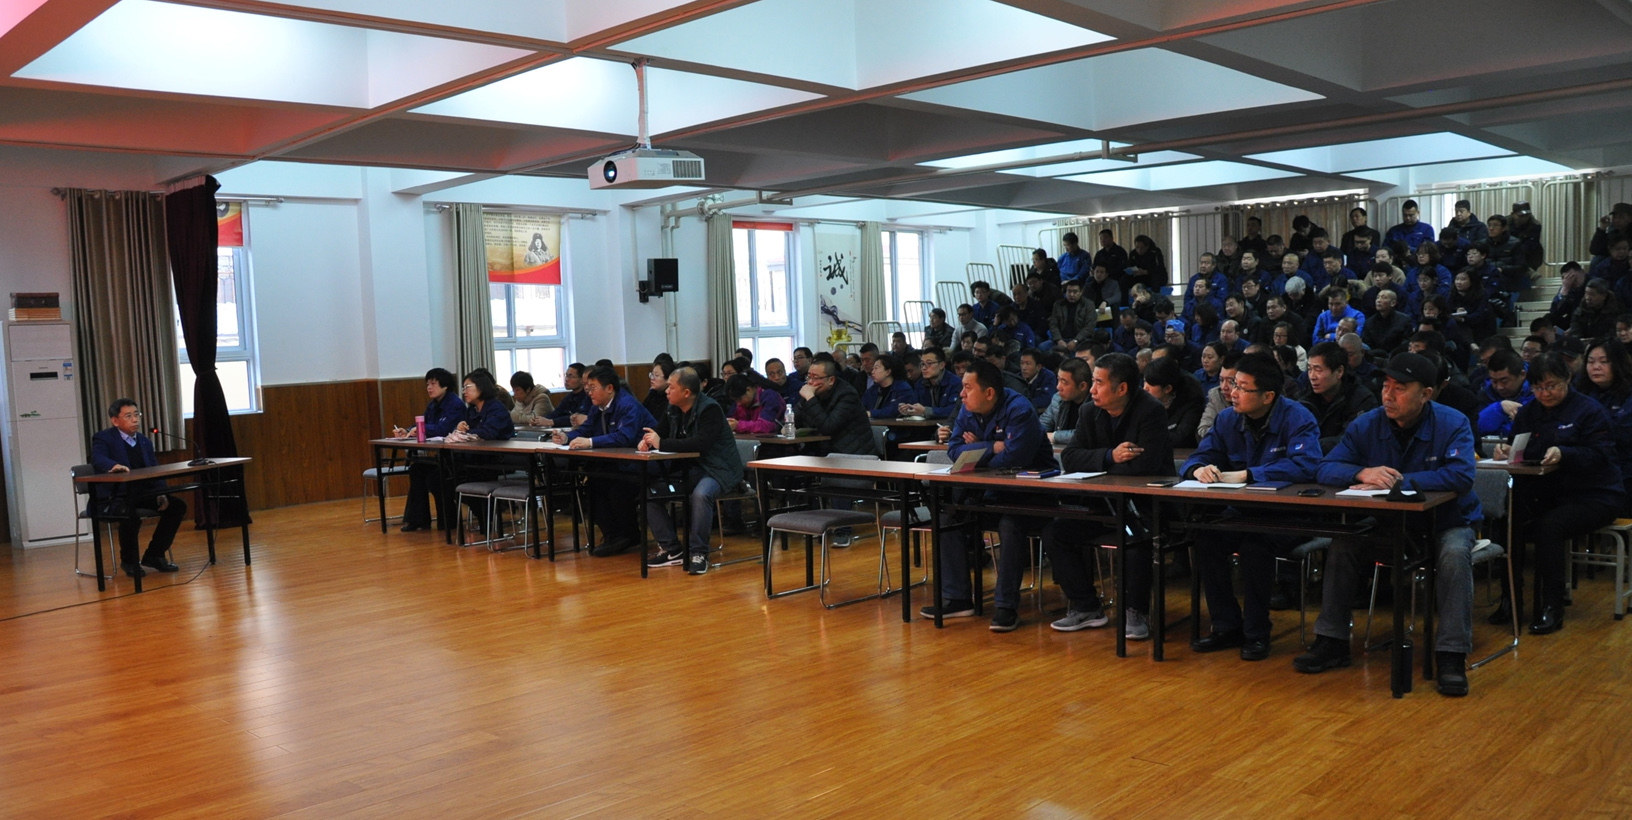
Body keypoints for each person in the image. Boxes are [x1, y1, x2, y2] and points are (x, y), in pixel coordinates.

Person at [1294, 352, 1482, 696]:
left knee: (1454, 555)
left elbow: (1461, 476)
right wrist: (1361, 472)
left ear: (1426, 393)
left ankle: (1451, 654)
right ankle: (1332, 640)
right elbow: (1324, 468)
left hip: (1446, 522)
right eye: (1385, 386)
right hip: (1388, 522)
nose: (1388, 395)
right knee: (1344, 543)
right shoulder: (1367, 423)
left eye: (1400, 388)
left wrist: (1398, 481)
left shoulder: (1453, 422)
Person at [1182, 353, 1321, 660]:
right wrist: (1198, 470)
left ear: (1268, 396)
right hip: (1242, 511)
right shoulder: (1227, 419)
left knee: (1255, 546)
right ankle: (1226, 626)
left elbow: (1307, 464)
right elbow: (1199, 456)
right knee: (1205, 539)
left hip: (1290, 515)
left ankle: (1257, 632)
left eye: (1242, 388)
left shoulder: (1298, 417)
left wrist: (1250, 474)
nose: (1232, 393)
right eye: (1233, 385)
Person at [919, 360, 1057, 631]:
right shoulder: (968, 409)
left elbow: (1015, 459)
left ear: (989, 393)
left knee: (1009, 525)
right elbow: (955, 451)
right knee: (948, 521)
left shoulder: (1020, 410)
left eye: (968, 388)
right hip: (988, 494)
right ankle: (958, 599)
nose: (961, 394)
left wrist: (977, 452)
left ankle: (1006, 606)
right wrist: (992, 446)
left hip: (1030, 496)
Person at [1043, 353, 1175, 636]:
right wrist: (1109, 456)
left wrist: (1097, 464)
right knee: (1056, 533)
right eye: (1092, 382)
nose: (1092, 390)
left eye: (1099, 383)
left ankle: (1136, 611)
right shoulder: (1089, 411)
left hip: (1144, 508)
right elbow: (1070, 458)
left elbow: (1145, 467)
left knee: (1137, 540)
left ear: (1122, 388)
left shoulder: (1151, 411)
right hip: (1102, 504)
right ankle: (1086, 607)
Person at [1497, 352, 1626, 634]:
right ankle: (1510, 599)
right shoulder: (1529, 412)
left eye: (1552, 386)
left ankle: (1552, 606)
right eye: (1538, 387)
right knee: (1506, 521)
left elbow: (1600, 456)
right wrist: (1505, 450)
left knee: (1550, 527)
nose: (1545, 393)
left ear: (1567, 379)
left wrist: (1564, 453)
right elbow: (1517, 447)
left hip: (1595, 494)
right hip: (1546, 493)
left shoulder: (1589, 411)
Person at [641, 367, 743, 576]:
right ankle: (672, 549)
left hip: (719, 469)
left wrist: (662, 443)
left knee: (701, 495)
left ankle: (699, 553)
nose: (667, 391)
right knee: (650, 493)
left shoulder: (710, 409)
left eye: (671, 387)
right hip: (691, 469)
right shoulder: (673, 408)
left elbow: (700, 443)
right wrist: (647, 441)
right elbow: (659, 432)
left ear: (686, 392)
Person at [552, 365, 658, 556]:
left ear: (609, 388)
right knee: (594, 483)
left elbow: (624, 437)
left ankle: (628, 535)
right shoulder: (597, 406)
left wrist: (590, 442)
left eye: (592, 387)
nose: (588, 391)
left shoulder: (627, 405)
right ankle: (612, 535)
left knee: (616, 488)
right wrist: (566, 437)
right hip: (617, 463)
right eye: (587, 387)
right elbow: (586, 430)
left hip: (642, 463)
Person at [89, 399, 189, 578]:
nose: (135, 419)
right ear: (115, 420)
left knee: (177, 506)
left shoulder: (144, 441)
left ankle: (154, 555)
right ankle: (129, 561)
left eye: (137, 415)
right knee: (129, 514)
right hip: (115, 497)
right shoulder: (104, 438)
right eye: (128, 416)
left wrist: (161, 493)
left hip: (142, 494)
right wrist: (113, 466)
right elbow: (98, 458)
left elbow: (154, 469)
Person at [398, 367, 465, 532]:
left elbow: (444, 429)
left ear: (445, 386)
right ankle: (418, 520)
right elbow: (423, 422)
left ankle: (447, 520)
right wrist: (408, 430)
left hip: (456, 457)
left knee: (436, 476)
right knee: (417, 469)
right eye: (427, 384)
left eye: (433, 384)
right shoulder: (432, 405)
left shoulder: (455, 405)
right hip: (441, 456)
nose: (429, 388)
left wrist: (422, 428)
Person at [451, 370, 518, 532]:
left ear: (481, 387)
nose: (464, 391)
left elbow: (488, 433)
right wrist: (459, 428)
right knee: (444, 476)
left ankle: (488, 520)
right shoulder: (472, 410)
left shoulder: (496, 408)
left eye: (468, 387)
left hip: (498, 460)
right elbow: (469, 433)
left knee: (458, 478)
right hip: (477, 458)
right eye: (463, 388)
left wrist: (467, 432)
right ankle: (483, 519)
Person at [1578, 339, 1632, 512]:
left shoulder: (1628, 393)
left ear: (1618, 363)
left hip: (1624, 470)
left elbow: (1621, 434)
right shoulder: (1580, 391)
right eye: (1591, 362)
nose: (1596, 367)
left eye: (1603, 361)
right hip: (1588, 470)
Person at [1300, 341, 1379, 453]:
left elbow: (1352, 440)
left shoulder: (1362, 399)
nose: (1312, 376)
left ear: (1339, 372)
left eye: (1318, 370)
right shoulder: (1305, 398)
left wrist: (1311, 446)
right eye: (1309, 369)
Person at [797, 359, 879, 456]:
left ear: (831, 380)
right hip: (823, 451)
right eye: (808, 377)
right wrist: (788, 426)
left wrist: (810, 398)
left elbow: (828, 428)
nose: (810, 382)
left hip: (851, 454)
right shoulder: (813, 393)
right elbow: (795, 417)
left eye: (816, 378)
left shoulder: (847, 395)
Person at [1143, 356, 1204, 449]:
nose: (1145, 388)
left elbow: (1180, 438)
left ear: (1168, 388)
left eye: (1151, 384)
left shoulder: (1192, 404)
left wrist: (1148, 439)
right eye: (1145, 381)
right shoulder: (1143, 401)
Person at [1476, 349, 1533, 438]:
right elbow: (1475, 428)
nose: (1499, 387)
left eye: (1504, 381)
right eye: (1494, 381)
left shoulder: (1538, 391)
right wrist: (1498, 408)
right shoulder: (1485, 393)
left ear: (1522, 375)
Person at [1039, 357, 1091, 445]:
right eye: (1058, 380)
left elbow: (1084, 434)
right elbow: (1041, 426)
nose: (1058, 387)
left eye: (1064, 382)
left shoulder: (1096, 403)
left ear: (1082, 386)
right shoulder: (1058, 398)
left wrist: (1054, 436)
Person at [1197, 351, 1241, 441]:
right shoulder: (1216, 395)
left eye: (1231, 381)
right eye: (1221, 380)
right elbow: (1202, 430)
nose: (1224, 387)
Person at [1048, 279, 1096, 353]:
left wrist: (1076, 340)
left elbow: (1089, 327)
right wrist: (1059, 340)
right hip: (1062, 339)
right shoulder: (1058, 304)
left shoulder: (1089, 305)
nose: (1071, 294)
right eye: (1069, 291)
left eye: (1075, 292)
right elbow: (1053, 324)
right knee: (1043, 347)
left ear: (1081, 292)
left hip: (1081, 340)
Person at [861, 354, 915, 419]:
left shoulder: (903, 388)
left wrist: (870, 413)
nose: (872, 372)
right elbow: (861, 407)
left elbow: (894, 411)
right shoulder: (872, 390)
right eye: (873, 369)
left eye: (876, 368)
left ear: (888, 372)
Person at [1362, 286, 1412, 354]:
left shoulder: (1404, 320)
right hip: (1374, 356)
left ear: (1393, 303)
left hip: (1396, 356)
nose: (1379, 300)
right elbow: (1366, 344)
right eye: (1377, 297)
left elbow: (1405, 343)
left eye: (1384, 298)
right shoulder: (1369, 322)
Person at [542, 363, 591, 428]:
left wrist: (552, 422)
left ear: (582, 380)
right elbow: (557, 412)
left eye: (571, 376)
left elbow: (578, 418)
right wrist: (540, 419)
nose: (566, 379)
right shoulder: (569, 396)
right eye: (566, 375)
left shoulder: (588, 396)